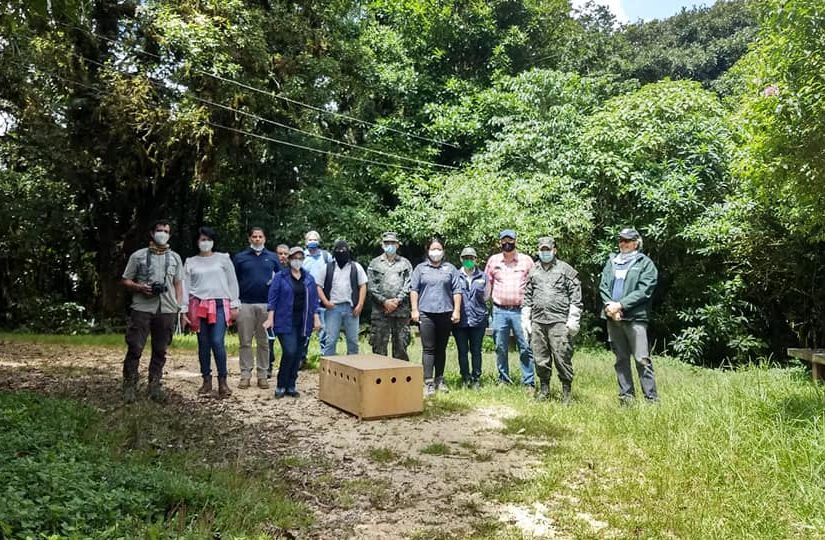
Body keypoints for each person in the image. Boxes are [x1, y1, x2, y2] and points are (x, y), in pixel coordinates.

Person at [120, 219, 184, 403]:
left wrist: (178, 305)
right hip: (142, 307)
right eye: (159, 230)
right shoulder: (138, 256)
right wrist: (140, 287)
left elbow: (178, 283)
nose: (162, 233)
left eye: (166, 231)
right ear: (151, 233)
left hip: (167, 309)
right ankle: (129, 387)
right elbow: (125, 280)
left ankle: (154, 387)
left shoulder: (175, 258)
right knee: (135, 347)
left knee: (160, 350)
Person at [598, 228, 659, 404]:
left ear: (636, 243)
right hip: (613, 317)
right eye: (621, 240)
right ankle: (626, 398)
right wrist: (610, 305)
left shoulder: (645, 263)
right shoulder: (612, 262)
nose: (623, 244)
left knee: (641, 359)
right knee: (621, 359)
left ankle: (651, 400)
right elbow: (603, 286)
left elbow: (645, 290)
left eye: (627, 240)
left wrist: (621, 305)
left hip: (635, 318)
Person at [180, 227, 241, 399]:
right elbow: (185, 287)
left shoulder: (223, 259)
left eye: (208, 239)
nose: (205, 242)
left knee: (217, 341)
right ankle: (206, 380)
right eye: (201, 239)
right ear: (197, 242)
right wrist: (183, 309)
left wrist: (235, 304)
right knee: (203, 343)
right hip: (198, 305)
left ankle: (223, 381)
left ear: (213, 241)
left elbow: (232, 281)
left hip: (220, 303)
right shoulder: (190, 262)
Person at [521, 237, 582, 403]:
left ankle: (567, 393)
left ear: (554, 250)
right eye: (542, 249)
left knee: (562, 356)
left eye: (548, 249)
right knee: (540, 358)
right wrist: (525, 318)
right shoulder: (533, 270)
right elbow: (527, 295)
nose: (545, 252)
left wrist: (573, 318)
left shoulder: (565, 270)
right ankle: (544, 390)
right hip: (538, 321)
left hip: (559, 322)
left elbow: (576, 295)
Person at [264, 247, 321, 398]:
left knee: (297, 354)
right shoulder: (280, 277)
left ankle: (291, 384)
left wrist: (316, 317)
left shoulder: (309, 278)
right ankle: (281, 384)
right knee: (289, 351)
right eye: (294, 258)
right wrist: (270, 318)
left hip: (303, 321)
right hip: (284, 320)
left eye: (300, 258)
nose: (297, 261)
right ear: (289, 260)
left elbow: (314, 300)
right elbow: (273, 299)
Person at [410, 238, 462, 396]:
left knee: (441, 348)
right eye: (433, 249)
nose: (436, 252)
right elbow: (414, 290)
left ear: (443, 251)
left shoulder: (450, 269)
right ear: (428, 250)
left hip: (445, 312)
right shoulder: (420, 269)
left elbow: (457, 291)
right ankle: (428, 382)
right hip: (426, 313)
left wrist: (457, 310)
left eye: (439, 249)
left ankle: (440, 379)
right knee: (428, 349)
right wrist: (414, 309)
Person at [484, 229, 535, 386]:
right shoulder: (493, 261)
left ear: (515, 241)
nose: (507, 243)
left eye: (510, 240)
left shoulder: (526, 261)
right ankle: (503, 379)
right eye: (504, 241)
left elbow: (535, 284)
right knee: (500, 347)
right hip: (499, 310)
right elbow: (487, 284)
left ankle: (528, 382)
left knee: (525, 346)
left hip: (521, 310)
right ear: (500, 242)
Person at [233, 227, 279, 390]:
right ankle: (245, 375)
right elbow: (233, 281)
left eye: (260, 236)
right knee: (245, 341)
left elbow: (279, 281)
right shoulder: (240, 258)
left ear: (265, 239)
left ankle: (262, 375)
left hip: (266, 305)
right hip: (244, 304)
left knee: (264, 342)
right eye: (254, 236)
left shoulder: (273, 258)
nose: (257, 239)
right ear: (249, 239)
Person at [367, 232, 413, 360]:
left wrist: (397, 300)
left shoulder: (405, 263)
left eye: (393, 243)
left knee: (401, 347)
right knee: (378, 347)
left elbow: (409, 284)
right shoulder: (374, 263)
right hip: (380, 312)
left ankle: (402, 378)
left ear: (398, 245)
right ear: (382, 245)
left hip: (401, 312)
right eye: (387, 243)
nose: (390, 245)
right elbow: (371, 287)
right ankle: (378, 377)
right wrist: (385, 302)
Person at [317, 240, 368, 355]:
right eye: (338, 251)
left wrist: (360, 305)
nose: (341, 253)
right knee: (330, 341)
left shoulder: (356, 267)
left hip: (351, 308)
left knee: (353, 342)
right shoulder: (327, 267)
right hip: (333, 308)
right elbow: (318, 286)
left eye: (343, 251)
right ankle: (329, 369)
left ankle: (353, 370)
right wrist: (325, 302)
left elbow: (363, 286)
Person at [453, 247, 488, 389]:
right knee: (462, 350)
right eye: (466, 258)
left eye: (471, 258)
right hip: (460, 320)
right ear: (461, 259)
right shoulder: (455, 275)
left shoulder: (483, 276)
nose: (468, 260)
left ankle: (476, 378)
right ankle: (465, 377)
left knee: (476, 350)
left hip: (478, 320)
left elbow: (487, 296)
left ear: (475, 259)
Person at [301, 230, 333, 366]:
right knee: (304, 332)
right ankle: (301, 359)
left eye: (315, 239)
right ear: (305, 242)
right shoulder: (301, 257)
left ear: (319, 241)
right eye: (309, 239)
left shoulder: (326, 256)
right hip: (306, 300)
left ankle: (324, 360)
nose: (312, 241)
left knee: (325, 332)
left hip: (323, 300)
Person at [269, 243, 291, 378]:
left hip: (286, 312)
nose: (282, 256)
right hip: (271, 309)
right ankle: (268, 366)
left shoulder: (294, 270)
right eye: (280, 253)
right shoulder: (269, 268)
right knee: (269, 340)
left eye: (285, 254)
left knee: (288, 344)